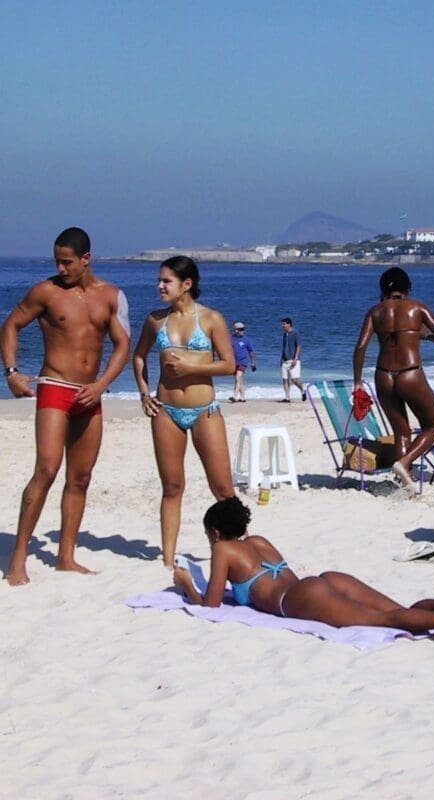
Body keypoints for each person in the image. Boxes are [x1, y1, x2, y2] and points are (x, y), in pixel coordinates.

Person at [173, 496, 434, 647]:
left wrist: (187, 583)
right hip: (323, 580)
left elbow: (212, 606)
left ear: (215, 533)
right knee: (397, 611)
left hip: (298, 599)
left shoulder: (222, 549)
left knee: (385, 621)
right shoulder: (258, 541)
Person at [0, 227, 131, 585]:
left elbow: (122, 345)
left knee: (81, 477)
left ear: (86, 259)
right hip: (55, 387)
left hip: (90, 394)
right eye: (57, 260)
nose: (61, 267)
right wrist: (11, 372)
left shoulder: (112, 296)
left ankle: (66, 557)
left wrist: (102, 385)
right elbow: (10, 325)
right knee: (46, 468)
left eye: (67, 262)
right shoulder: (46, 292)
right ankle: (17, 558)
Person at [132, 256, 236, 568]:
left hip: (205, 410)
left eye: (166, 281)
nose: (159, 286)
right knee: (172, 487)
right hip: (166, 411)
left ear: (186, 284)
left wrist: (191, 366)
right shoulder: (155, 320)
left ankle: (236, 548)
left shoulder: (211, 319)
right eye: (159, 280)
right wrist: (143, 393)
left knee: (223, 487)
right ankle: (167, 559)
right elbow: (139, 357)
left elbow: (230, 364)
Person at [353, 267, 434, 489]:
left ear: (382, 289)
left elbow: (360, 347)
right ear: (407, 288)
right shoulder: (417, 308)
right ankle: (404, 462)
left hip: (383, 375)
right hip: (410, 374)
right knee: (431, 427)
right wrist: (423, 336)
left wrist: (358, 381)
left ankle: (405, 481)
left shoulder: (375, 312)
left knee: (401, 432)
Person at [279, 317, 305, 402]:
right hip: (285, 360)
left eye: (284, 324)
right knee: (285, 379)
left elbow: (299, 346)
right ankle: (287, 397)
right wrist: (281, 359)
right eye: (282, 324)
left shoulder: (295, 333)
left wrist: (295, 358)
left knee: (294, 379)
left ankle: (303, 390)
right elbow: (284, 347)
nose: (282, 326)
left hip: (293, 360)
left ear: (289, 324)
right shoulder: (284, 335)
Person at [230, 321, 256, 402]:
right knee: (239, 380)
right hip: (234, 362)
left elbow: (251, 351)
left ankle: (234, 396)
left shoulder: (246, 340)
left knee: (238, 378)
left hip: (243, 362)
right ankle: (243, 397)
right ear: (236, 330)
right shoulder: (231, 338)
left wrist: (253, 363)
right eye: (240, 329)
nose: (242, 331)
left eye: (243, 329)